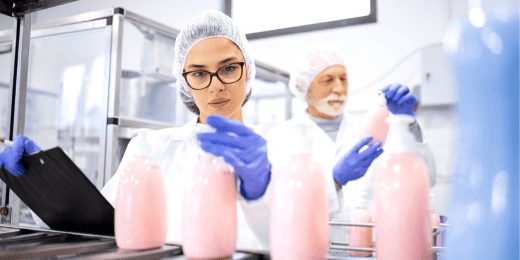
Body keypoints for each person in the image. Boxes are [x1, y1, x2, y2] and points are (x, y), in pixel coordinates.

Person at [0, 11, 271, 250]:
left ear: (247, 70)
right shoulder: (149, 149)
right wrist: (46, 178)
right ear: (185, 81)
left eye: (229, 68)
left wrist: (260, 194)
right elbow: (96, 225)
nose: (216, 86)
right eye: (199, 73)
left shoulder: (278, 149)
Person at [266, 43, 436, 242]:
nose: (339, 88)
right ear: (304, 87)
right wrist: (335, 180)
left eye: (343, 79)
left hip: (373, 250)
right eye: (328, 80)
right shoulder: (280, 138)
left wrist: (408, 123)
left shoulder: (375, 130)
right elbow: (278, 206)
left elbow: (428, 178)